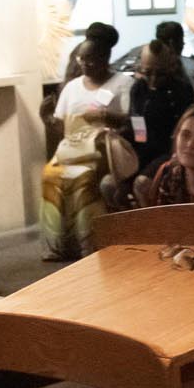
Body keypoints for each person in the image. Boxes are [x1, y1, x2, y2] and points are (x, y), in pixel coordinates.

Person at [42, 36, 135, 259]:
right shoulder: (72, 87)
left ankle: (89, 244)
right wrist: (46, 119)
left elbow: (131, 121)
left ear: (105, 59)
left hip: (104, 147)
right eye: (81, 59)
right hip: (73, 146)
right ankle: (59, 244)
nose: (85, 64)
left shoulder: (123, 83)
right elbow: (61, 126)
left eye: (91, 60)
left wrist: (106, 116)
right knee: (50, 175)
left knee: (84, 178)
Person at [108, 39, 194, 207]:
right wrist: (119, 137)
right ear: (140, 67)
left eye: (160, 73)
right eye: (147, 72)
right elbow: (138, 126)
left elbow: (186, 131)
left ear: (170, 68)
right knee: (109, 186)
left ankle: (152, 227)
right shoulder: (139, 89)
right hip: (142, 151)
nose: (153, 79)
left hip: (170, 151)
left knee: (141, 184)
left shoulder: (181, 91)